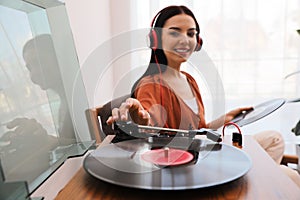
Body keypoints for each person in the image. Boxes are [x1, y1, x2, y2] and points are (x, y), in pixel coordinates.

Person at [106, 5, 300, 186]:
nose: (185, 39)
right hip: (187, 167)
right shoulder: (151, 85)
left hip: (200, 150)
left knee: (274, 138)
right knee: (288, 175)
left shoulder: (189, 80)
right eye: (175, 32)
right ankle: (256, 185)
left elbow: (198, 129)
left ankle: (257, 183)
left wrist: (226, 118)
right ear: (155, 39)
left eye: (191, 34)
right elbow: (150, 125)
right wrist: (142, 120)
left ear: (198, 42)